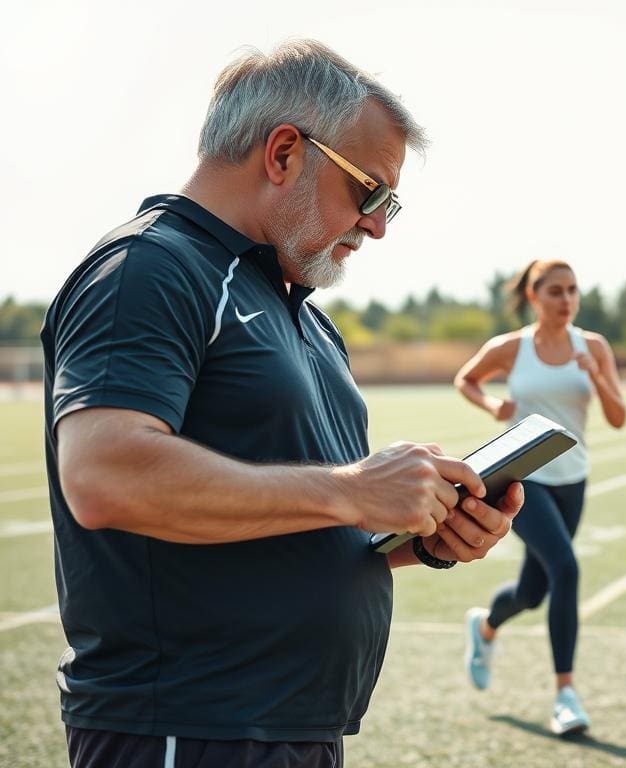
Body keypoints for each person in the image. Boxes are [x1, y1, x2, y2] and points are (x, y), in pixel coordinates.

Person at [41, 40, 523, 768]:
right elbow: (105, 475)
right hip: (187, 727)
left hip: (284, 728)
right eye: (371, 193)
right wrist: (355, 489)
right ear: (285, 154)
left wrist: (417, 534)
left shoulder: (294, 305)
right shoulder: (150, 269)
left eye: (390, 203)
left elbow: (294, 523)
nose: (378, 225)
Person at [454, 259, 626, 735]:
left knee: (534, 592)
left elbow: (618, 417)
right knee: (567, 567)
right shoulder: (511, 348)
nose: (566, 300)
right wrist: (494, 405)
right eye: (555, 291)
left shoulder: (592, 346)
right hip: (522, 478)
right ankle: (565, 696)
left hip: (574, 479)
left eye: (572, 290)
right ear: (534, 296)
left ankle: (486, 626)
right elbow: (465, 379)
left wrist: (596, 375)